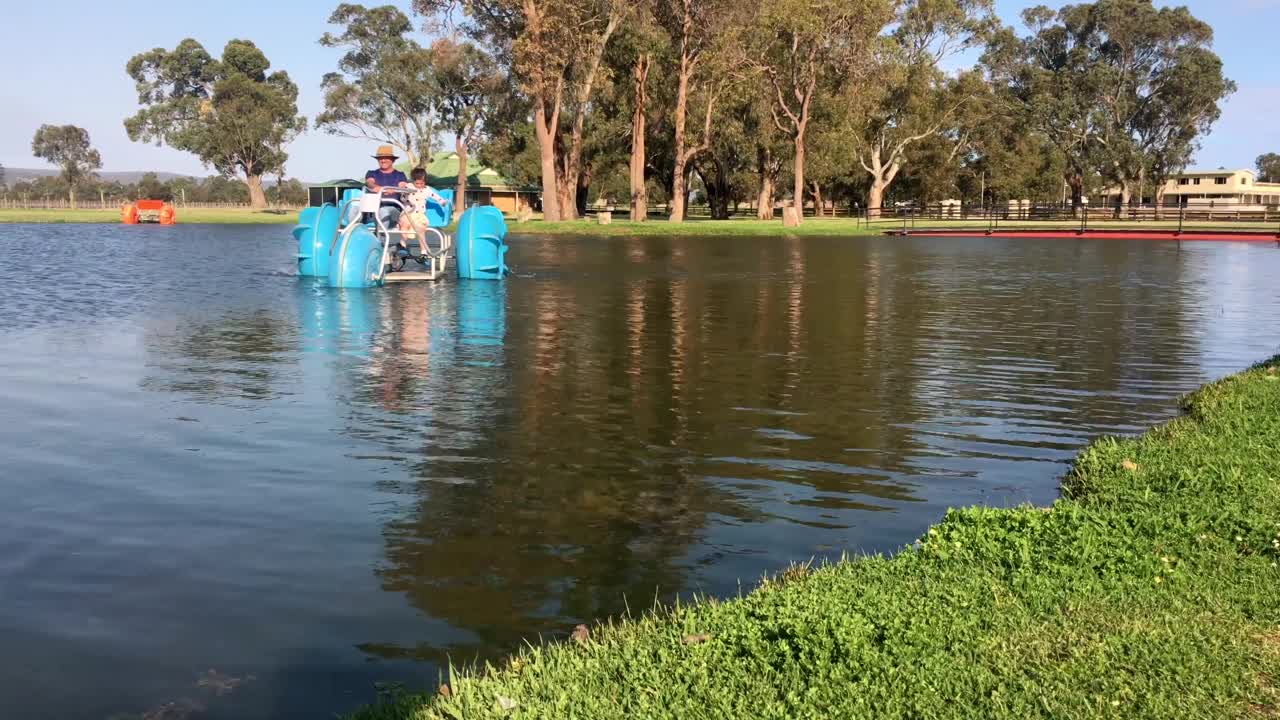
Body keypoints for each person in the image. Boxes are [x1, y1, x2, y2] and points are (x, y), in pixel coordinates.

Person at [398, 168, 448, 258]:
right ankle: (402, 245)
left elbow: (435, 196)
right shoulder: (408, 187)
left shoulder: (427, 189)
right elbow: (402, 198)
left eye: (422, 183)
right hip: (408, 213)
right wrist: (405, 194)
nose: (420, 186)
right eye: (417, 183)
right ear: (413, 181)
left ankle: (424, 252)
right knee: (404, 225)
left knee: (421, 230)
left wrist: (442, 201)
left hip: (419, 215)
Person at [364, 145, 409, 227]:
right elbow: (370, 183)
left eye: (386, 158)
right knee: (354, 210)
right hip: (373, 210)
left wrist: (394, 190)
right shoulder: (371, 173)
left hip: (393, 211)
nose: (383, 160)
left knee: (383, 211)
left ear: (392, 160)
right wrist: (378, 188)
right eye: (380, 158)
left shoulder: (400, 175)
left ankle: (380, 239)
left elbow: (402, 186)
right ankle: (352, 237)